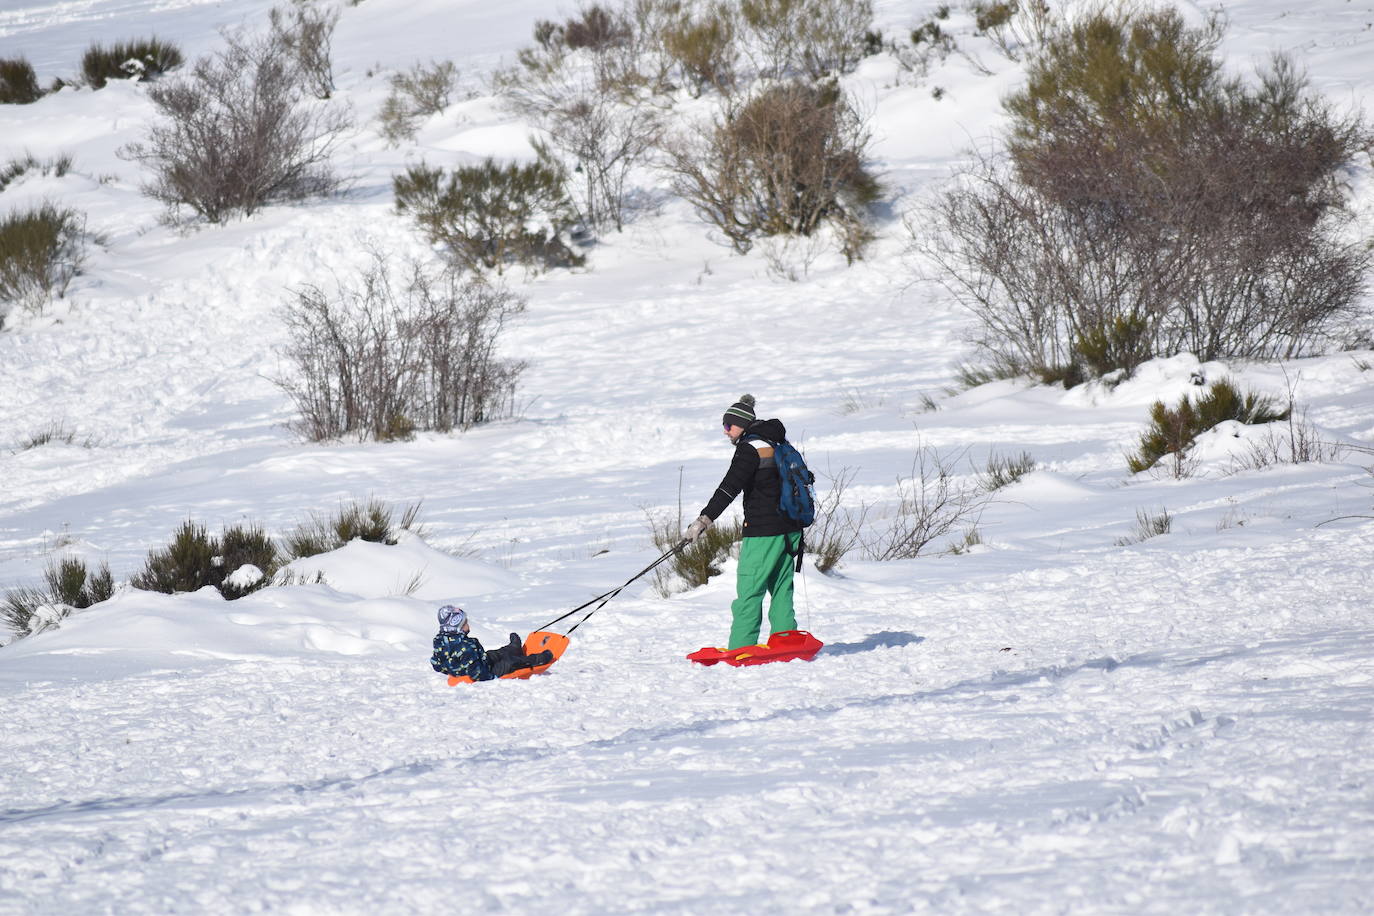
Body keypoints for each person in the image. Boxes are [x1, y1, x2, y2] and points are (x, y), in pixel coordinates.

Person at [684, 394, 803, 650]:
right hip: (789, 530)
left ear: (742, 424)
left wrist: (704, 520)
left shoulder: (750, 449)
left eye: (729, 425)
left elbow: (729, 488)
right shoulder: (775, 441)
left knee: (750, 590)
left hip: (763, 532)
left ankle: (741, 647)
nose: (726, 432)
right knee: (782, 589)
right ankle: (787, 642)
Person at [429, 605, 553, 681]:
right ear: (458, 627)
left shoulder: (440, 641)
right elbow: (476, 673)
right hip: (485, 671)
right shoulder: (466, 647)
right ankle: (538, 659)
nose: (468, 624)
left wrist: (451, 669)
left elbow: (437, 663)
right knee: (511, 663)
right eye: (465, 623)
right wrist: (489, 676)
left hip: (479, 662)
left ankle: (513, 648)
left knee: (495, 654)